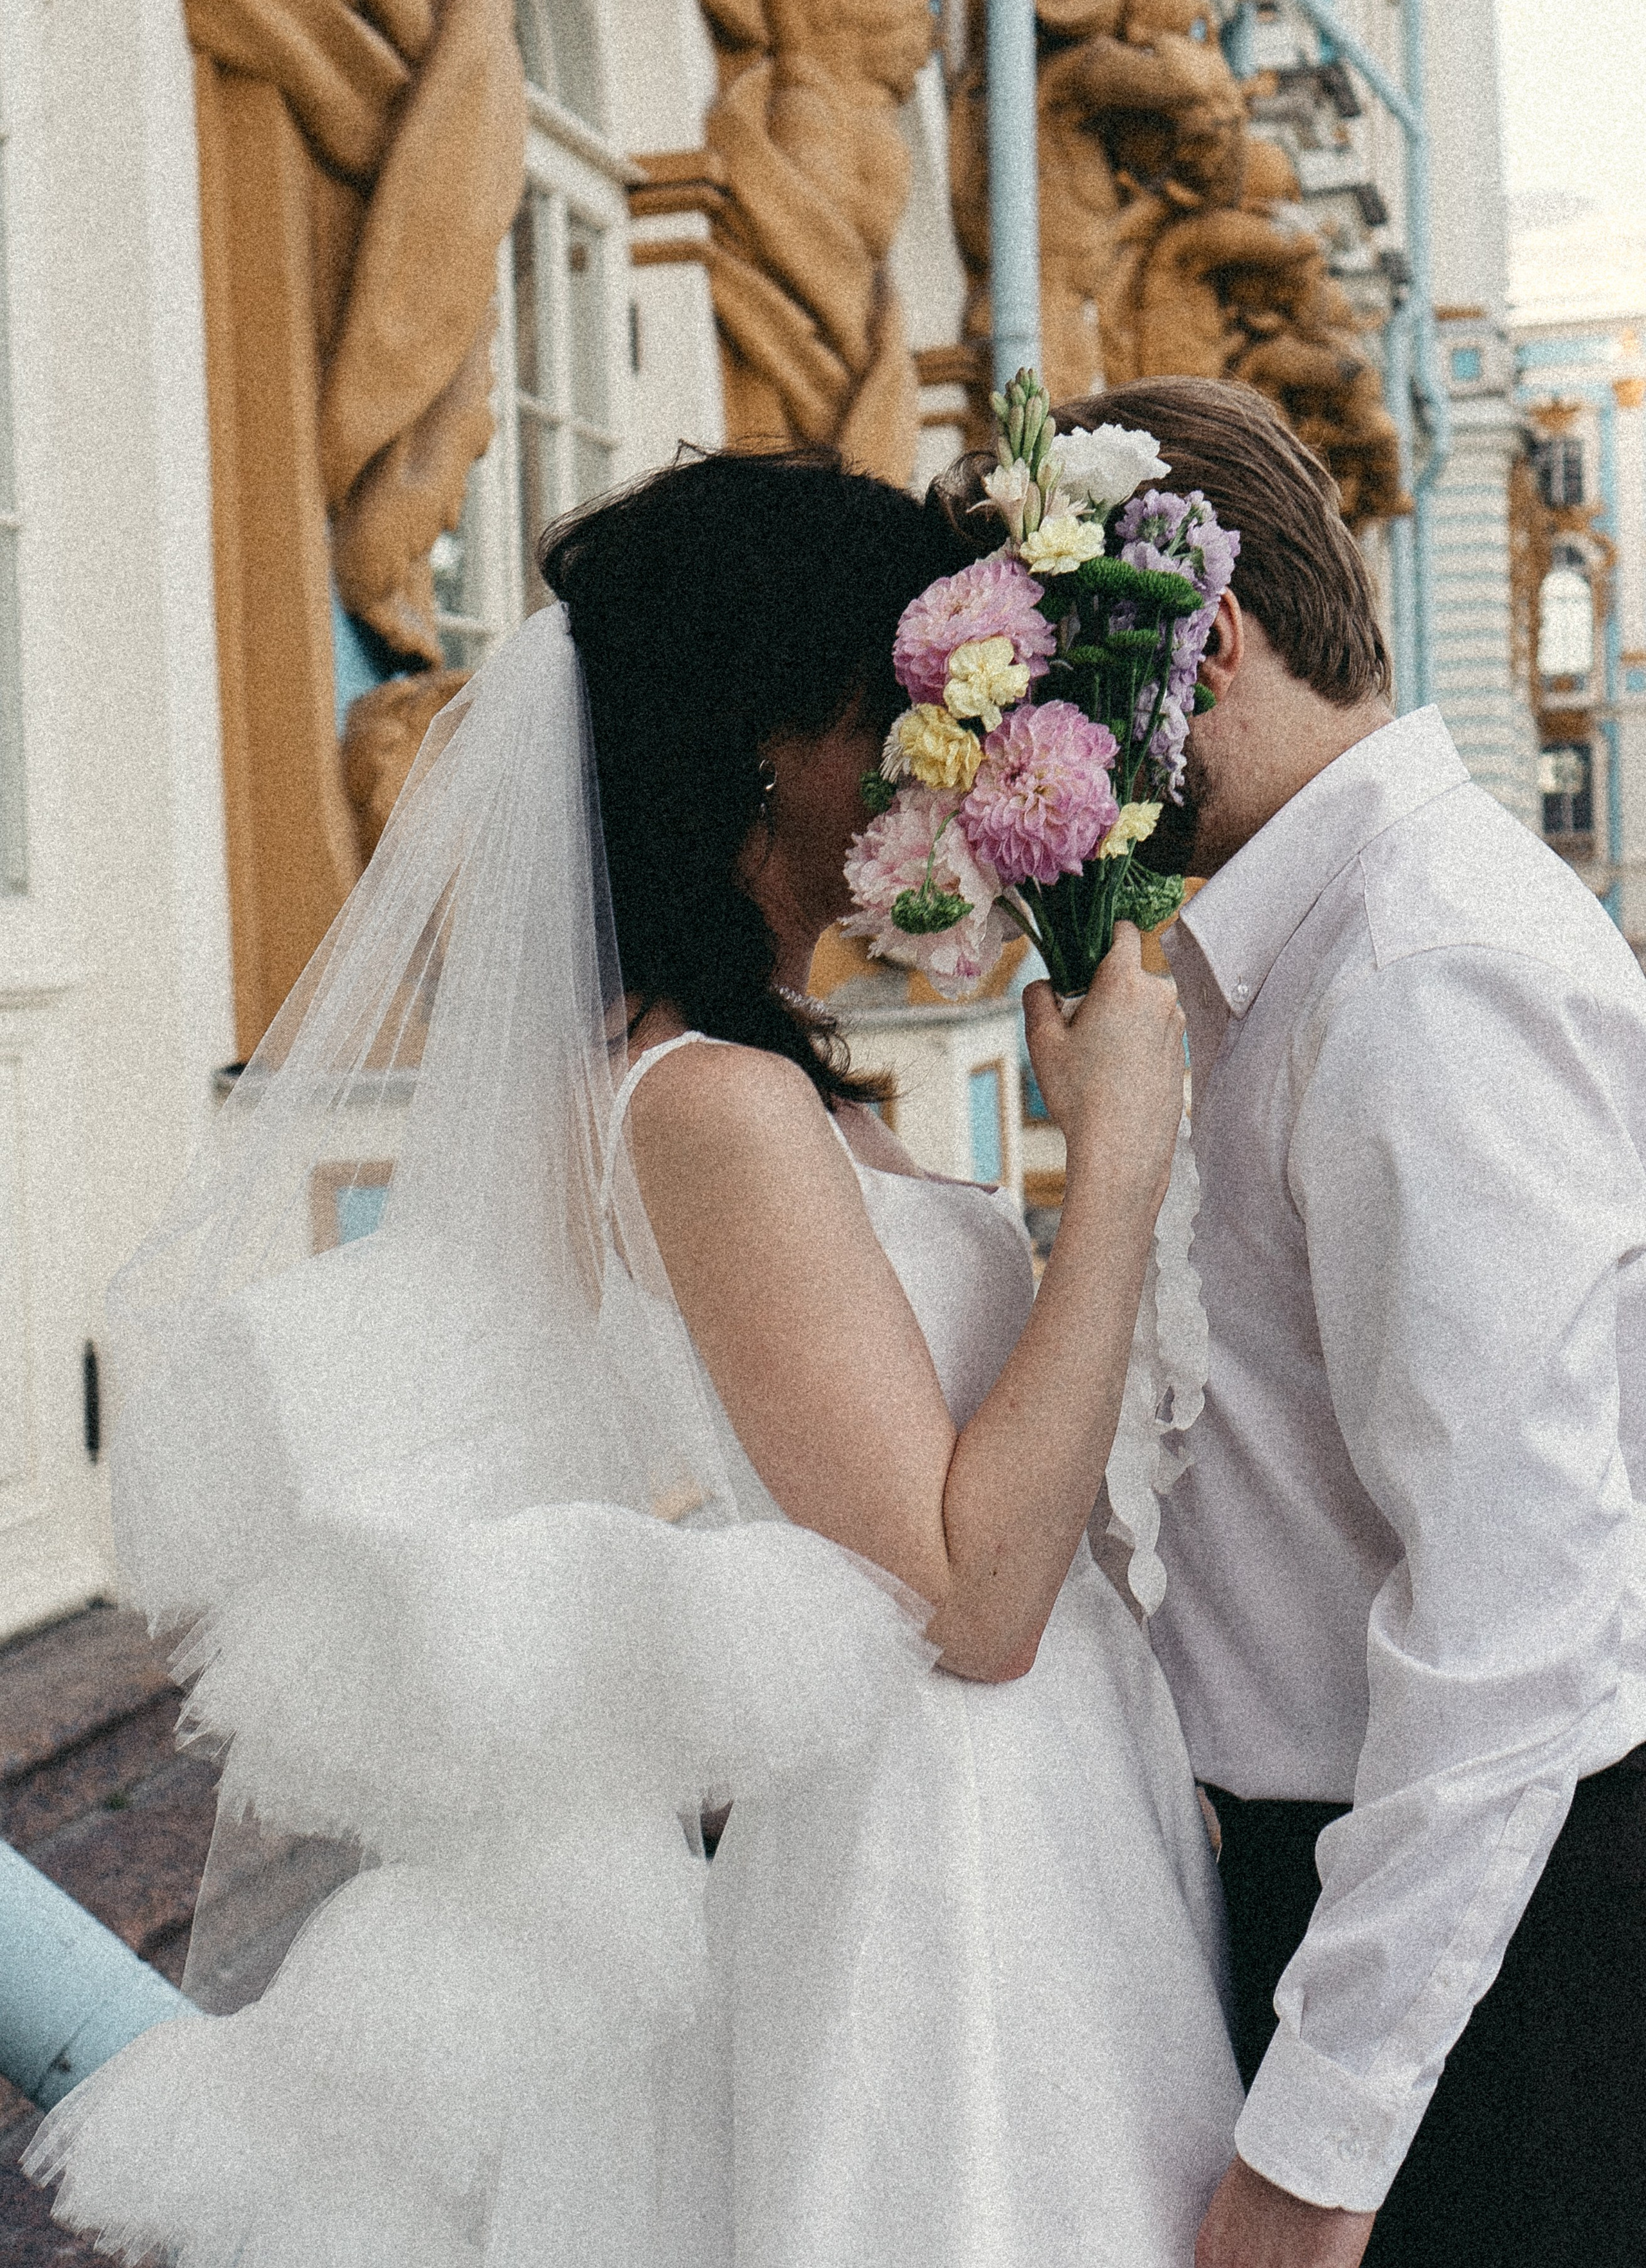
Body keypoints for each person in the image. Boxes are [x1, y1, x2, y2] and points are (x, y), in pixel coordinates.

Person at [28, 447, 1240, 2267]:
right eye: (895, 707)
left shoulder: (766, 1070)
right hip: (949, 1847)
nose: (941, 755)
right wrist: (1119, 1166)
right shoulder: (711, 1104)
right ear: (770, 745)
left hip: (1045, 1798)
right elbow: (971, 1602)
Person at [1050, 377, 1646, 2268]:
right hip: (1352, 1903)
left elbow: (1516, 1617)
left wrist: (1319, 2148)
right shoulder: (1289, 953)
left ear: (1202, 640)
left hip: (1474, 1965)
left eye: (1049, 705)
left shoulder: (1421, 968)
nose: (1037, 781)